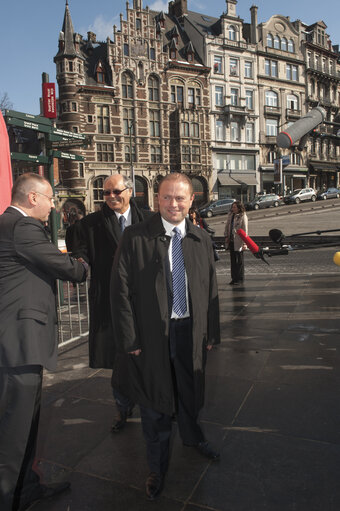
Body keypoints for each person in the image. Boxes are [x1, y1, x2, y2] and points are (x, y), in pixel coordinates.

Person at [111, 173, 220, 500]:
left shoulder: (201, 238)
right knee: (155, 401)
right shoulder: (135, 237)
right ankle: (156, 467)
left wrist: (211, 331)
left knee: (190, 388)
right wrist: (130, 340)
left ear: (191, 201)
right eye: (167, 197)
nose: (174, 204)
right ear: (157, 199)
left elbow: (210, 289)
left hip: (190, 331)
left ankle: (192, 436)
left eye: (180, 198)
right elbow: (120, 291)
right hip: (152, 335)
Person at [0, 173, 87, 511]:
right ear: (33, 198)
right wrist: (82, 266)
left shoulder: (6, 225)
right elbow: (64, 266)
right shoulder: (22, 228)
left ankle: (27, 487)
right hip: (17, 346)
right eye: (50, 199)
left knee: (23, 426)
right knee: (14, 433)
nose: (53, 207)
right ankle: (9, 499)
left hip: (16, 344)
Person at [70, 174, 153, 432]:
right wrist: (80, 265)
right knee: (119, 359)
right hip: (109, 301)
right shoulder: (91, 224)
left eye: (116, 191)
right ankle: (122, 407)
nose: (111, 197)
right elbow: (80, 252)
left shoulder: (150, 220)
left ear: (130, 191)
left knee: (150, 356)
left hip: (146, 302)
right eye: (106, 193)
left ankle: (154, 403)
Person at [224, 200, 248, 285]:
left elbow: (245, 230)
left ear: (239, 208)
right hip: (231, 240)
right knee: (233, 260)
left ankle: (240, 278)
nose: (233, 209)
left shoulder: (242, 216)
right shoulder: (230, 215)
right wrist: (226, 236)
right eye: (232, 207)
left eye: (234, 207)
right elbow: (227, 226)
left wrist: (245, 243)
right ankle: (234, 278)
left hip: (238, 241)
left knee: (239, 260)